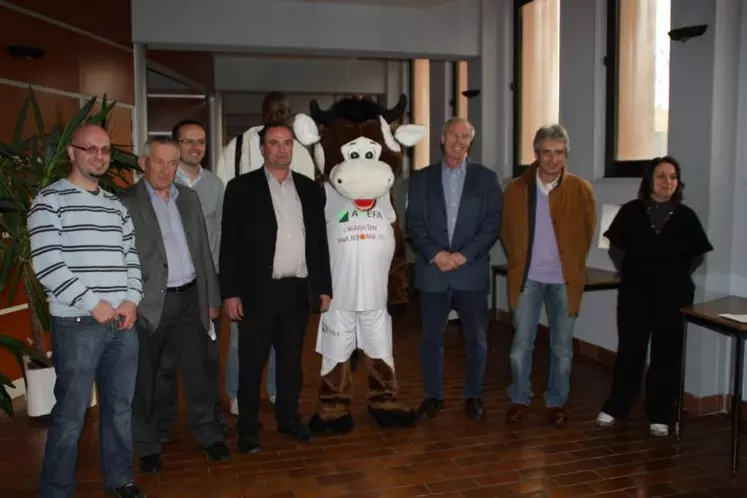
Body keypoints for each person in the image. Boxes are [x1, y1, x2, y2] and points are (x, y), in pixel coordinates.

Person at [29, 124, 145, 498]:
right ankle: (56, 490)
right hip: (79, 322)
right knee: (70, 414)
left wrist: (131, 300)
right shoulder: (49, 201)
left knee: (120, 409)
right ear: (72, 153)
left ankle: (120, 480)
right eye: (90, 148)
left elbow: (132, 260)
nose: (99, 156)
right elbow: (48, 265)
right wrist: (93, 303)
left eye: (105, 150)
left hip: (122, 324)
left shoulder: (116, 206)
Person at [220, 122, 332, 453]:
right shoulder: (241, 188)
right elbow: (230, 247)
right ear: (263, 148)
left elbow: (319, 244)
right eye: (274, 143)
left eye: (286, 143)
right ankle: (249, 427)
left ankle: (288, 418)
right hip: (257, 292)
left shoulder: (309, 189)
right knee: (251, 363)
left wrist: (322, 286)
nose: (281, 149)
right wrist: (230, 292)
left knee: (290, 363)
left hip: (296, 292)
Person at [119, 138, 230, 474]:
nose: (167, 170)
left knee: (200, 374)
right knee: (146, 379)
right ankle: (149, 445)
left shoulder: (189, 198)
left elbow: (203, 254)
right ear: (143, 163)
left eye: (172, 163)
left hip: (190, 300)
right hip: (150, 304)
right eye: (159, 162)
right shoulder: (125, 203)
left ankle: (209, 435)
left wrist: (211, 299)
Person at [596, 156, 713, 436]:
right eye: (661, 176)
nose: (667, 182)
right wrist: (633, 273)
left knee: (667, 356)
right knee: (630, 352)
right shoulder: (631, 211)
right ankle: (616, 407)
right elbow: (616, 249)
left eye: (673, 177)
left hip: (674, 298)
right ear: (649, 180)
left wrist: (672, 277)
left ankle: (659, 414)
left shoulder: (687, 217)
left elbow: (695, 256)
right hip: (635, 294)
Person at [215, 92, 315, 412]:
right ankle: (236, 396)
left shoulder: (300, 152)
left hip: (290, 278)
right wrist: (231, 287)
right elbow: (227, 222)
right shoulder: (237, 148)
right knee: (242, 345)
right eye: (271, 111)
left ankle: (276, 391)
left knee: (285, 345)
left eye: (283, 111)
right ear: (261, 113)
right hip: (253, 274)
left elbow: (308, 215)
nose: (276, 115)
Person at [406, 117, 503, 422]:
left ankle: (473, 396)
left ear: (470, 142)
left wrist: (463, 255)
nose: (458, 140)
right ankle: (433, 397)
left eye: (465, 136)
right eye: (453, 134)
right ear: (442, 137)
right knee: (431, 338)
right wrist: (436, 254)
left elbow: (492, 224)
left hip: (470, 271)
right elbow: (414, 223)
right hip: (433, 272)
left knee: (476, 339)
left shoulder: (486, 179)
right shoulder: (421, 178)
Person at [501, 124, 596, 428]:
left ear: (565, 153)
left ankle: (557, 400)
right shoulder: (516, 189)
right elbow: (506, 231)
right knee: (520, 345)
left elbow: (586, 232)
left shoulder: (581, 190)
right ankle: (520, 397)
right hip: (527, 278)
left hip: (564, 280)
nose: (553, 159)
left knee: (562, 348)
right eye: (546, 153)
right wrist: (519, 259)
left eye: (558, 153)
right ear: (536, 154)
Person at [154, 120, 228, 442]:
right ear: (176, 144)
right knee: (166, 363)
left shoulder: (215, 185)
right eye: (188, 142)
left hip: (206, 287)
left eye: (201, 142)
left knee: (208, 360)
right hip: (169, 290)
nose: (196, 148)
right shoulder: (160, 184)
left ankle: (211, 419)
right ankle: (162, 425)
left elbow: (223, 235)